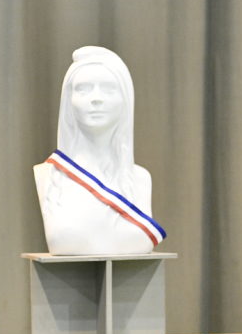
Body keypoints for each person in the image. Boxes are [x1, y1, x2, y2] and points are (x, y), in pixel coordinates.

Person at [34, 46, 164, 254]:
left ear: (125, 100)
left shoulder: (140, 179)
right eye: (83, 89)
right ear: (69, 100)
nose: (96, 98)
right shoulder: (48, 176)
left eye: (109, 89)